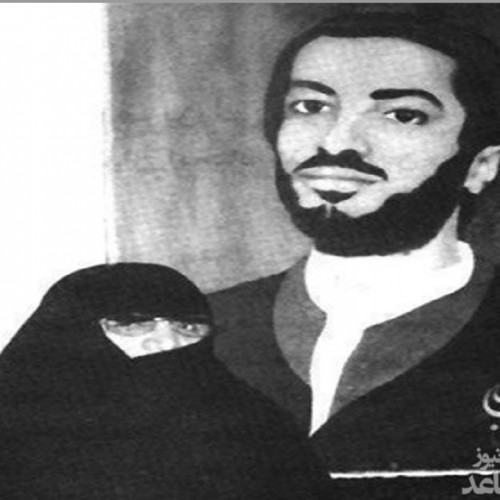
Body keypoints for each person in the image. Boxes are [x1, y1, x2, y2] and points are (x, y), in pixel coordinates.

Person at [208, 12, 500, 473]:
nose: (336, 142)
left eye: (402, 115)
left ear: (481, 165)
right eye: (310, 106)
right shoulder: (206, 327)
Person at [0, 263, 331, 499]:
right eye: (132, 323)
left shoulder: (258, 429)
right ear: (71, 331)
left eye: (188, 327)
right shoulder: (19, 429)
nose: (167, 342)